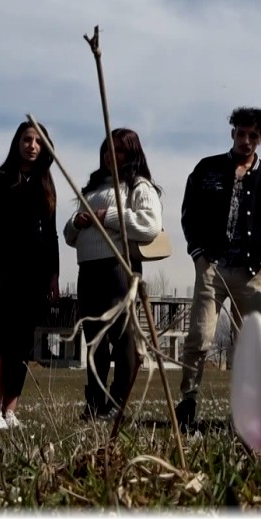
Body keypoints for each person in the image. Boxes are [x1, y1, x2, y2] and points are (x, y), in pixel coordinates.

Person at [176, 107, 261, 428]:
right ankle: (188, 400)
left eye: (253, 136)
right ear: (233, 134)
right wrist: (198, 253)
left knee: (248, 345)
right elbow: (190, 214)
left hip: (253, 271)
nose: (246, 140)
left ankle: (243, 411)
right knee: (200, 335)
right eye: (241, 133)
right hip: (212, 265)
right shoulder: (207, 169)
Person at [63, 128, 162, 420]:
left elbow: (149, 226)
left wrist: (108, 215)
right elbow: (69, 236)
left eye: (118, 150)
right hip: (88, 269)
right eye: (107, 149)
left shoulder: (138, 186)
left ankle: (119, 401)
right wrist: (78, 223)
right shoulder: (92, 188)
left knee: (123, 339)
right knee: (94, 340)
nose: (111, 155)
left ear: (131, 153)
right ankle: (95, 403)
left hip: (119, 268)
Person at [0, 122, 60, 430]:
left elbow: (50, 235)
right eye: (27, 139)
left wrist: (54, 275)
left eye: (39, 140)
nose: (32, 145)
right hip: (2, 273)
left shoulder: (45, 184)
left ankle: (11, 410)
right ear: (17, 142)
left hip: (34, 277)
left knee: (22, 347)